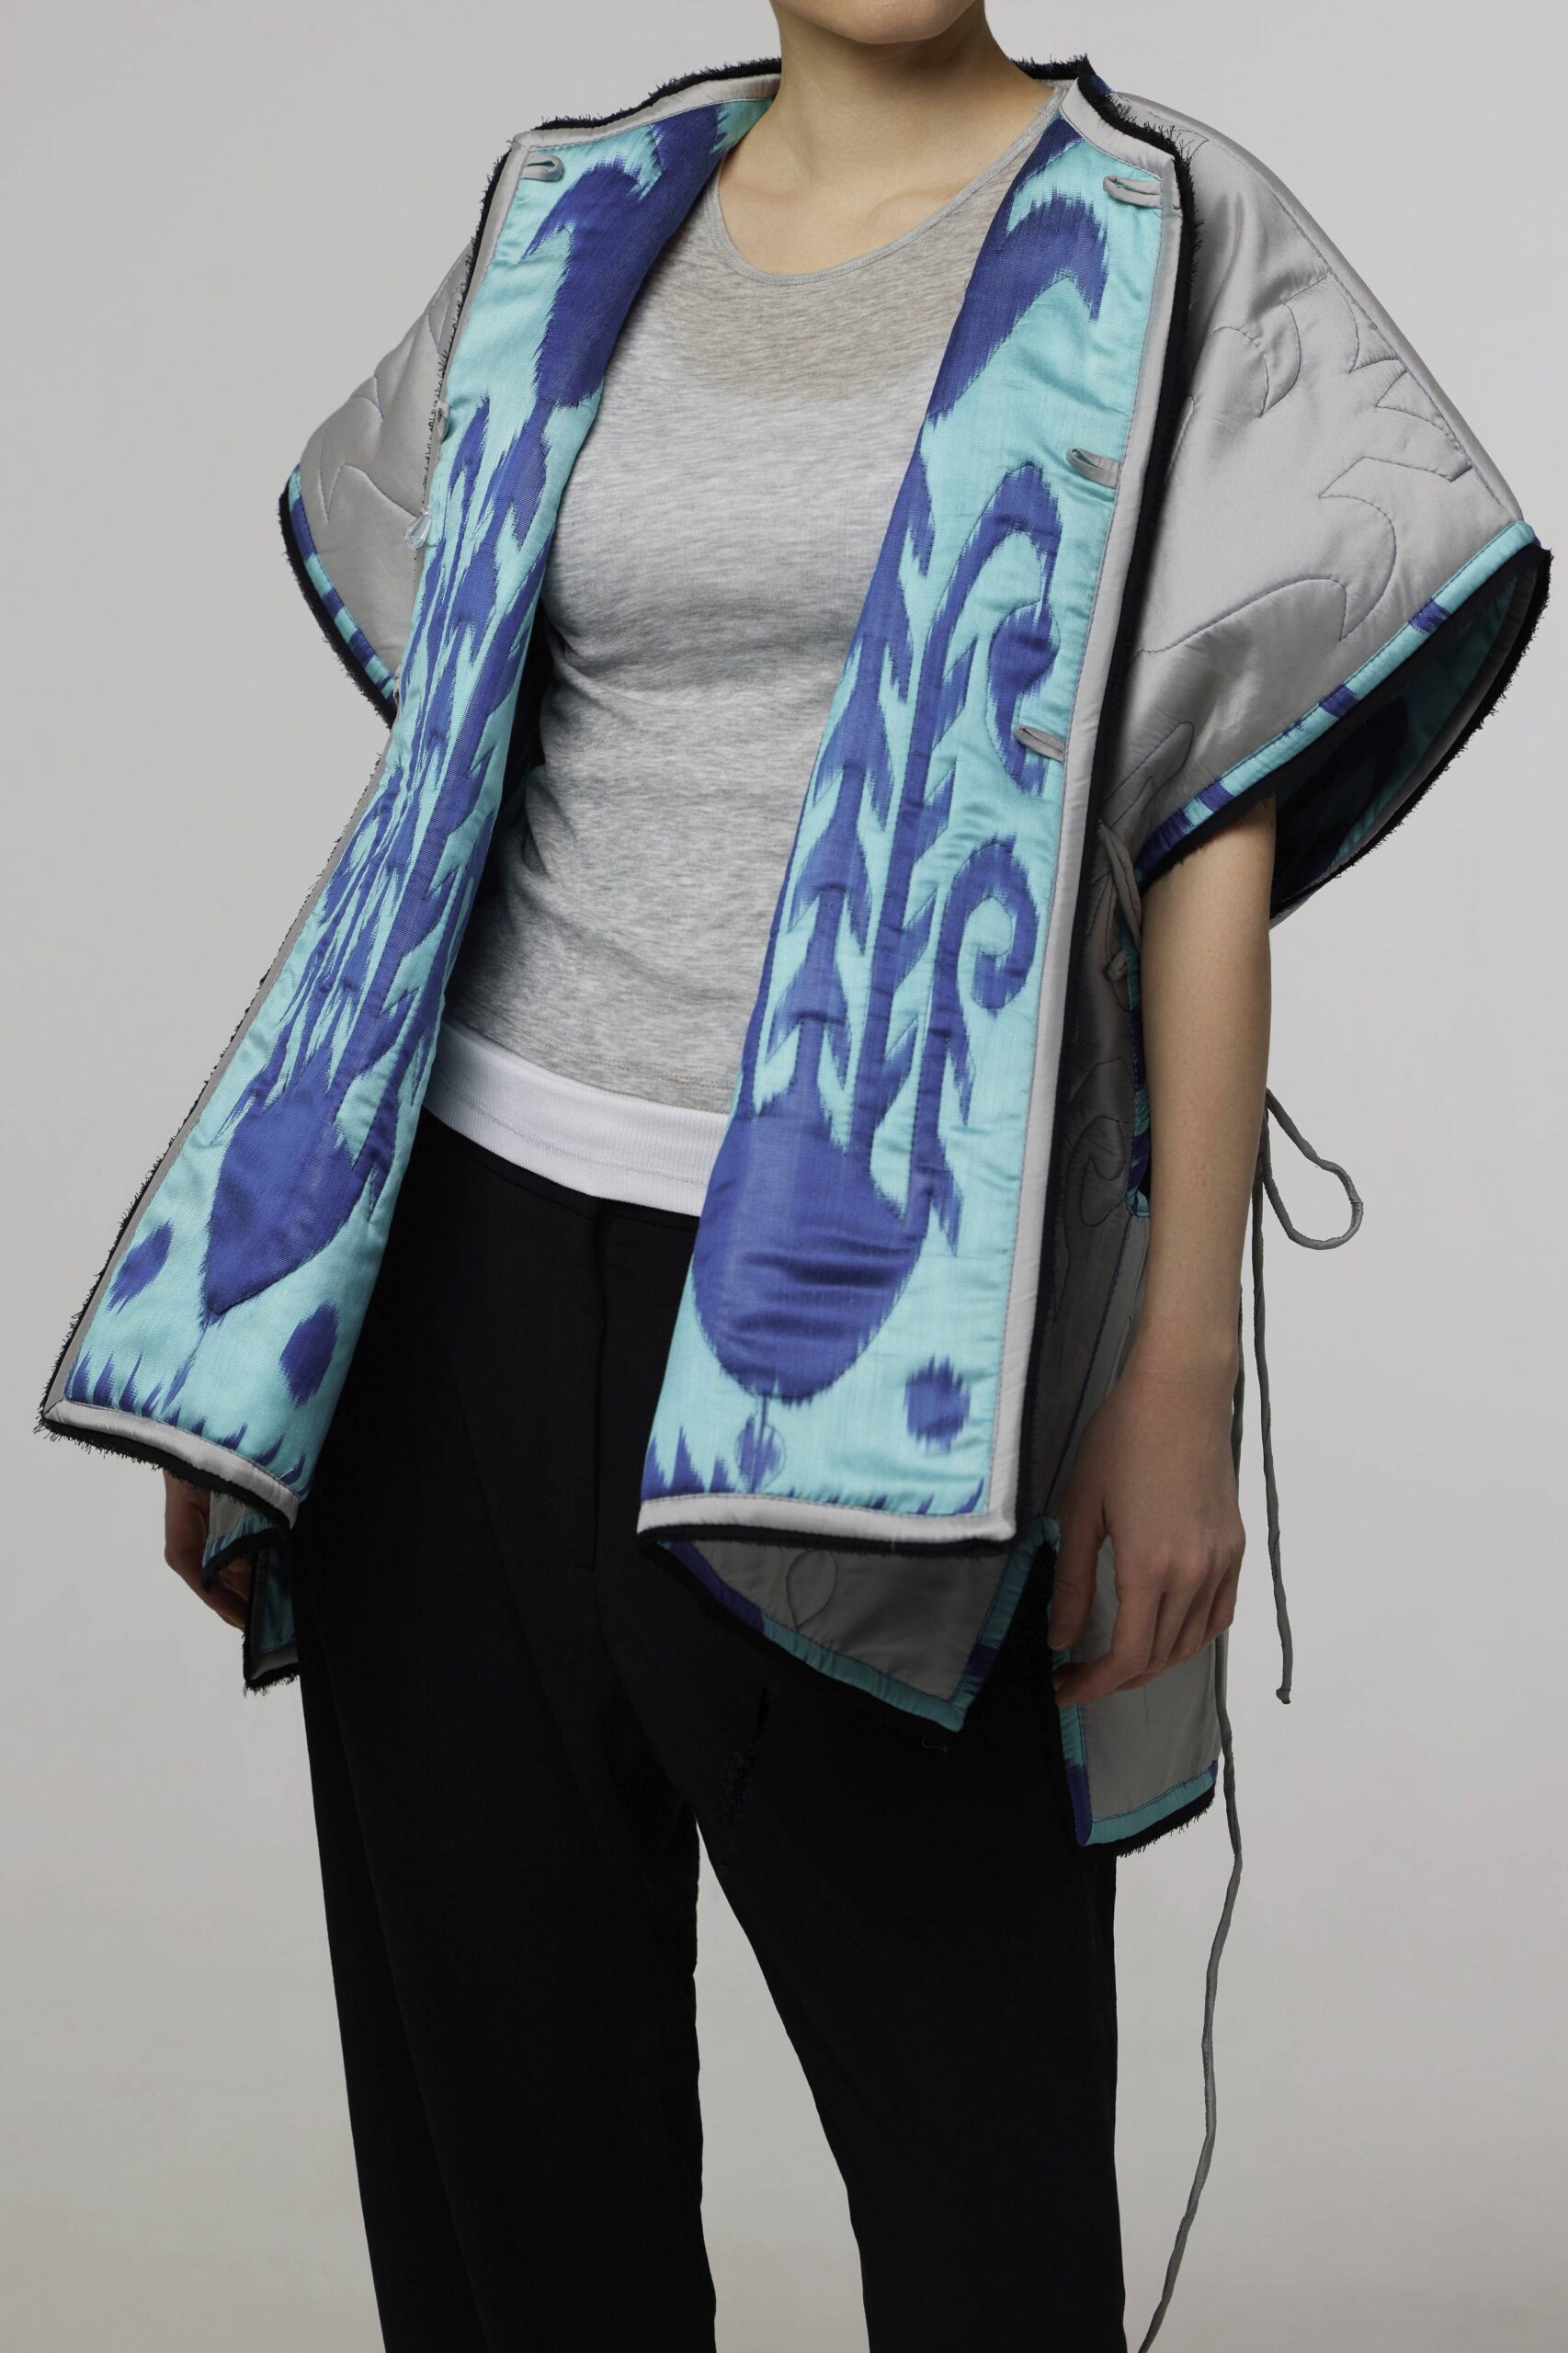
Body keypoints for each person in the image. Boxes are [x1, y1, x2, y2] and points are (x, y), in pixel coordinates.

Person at [41, 8, 1549, 2349]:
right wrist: (274, 1312)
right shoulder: (573, 213)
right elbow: (450, 761)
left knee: (985, 2184)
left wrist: (1180, 1371)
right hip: (455, 1294)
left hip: (883, 1338)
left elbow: (1205, 817)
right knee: (508, 2187)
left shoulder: (1159, 234)